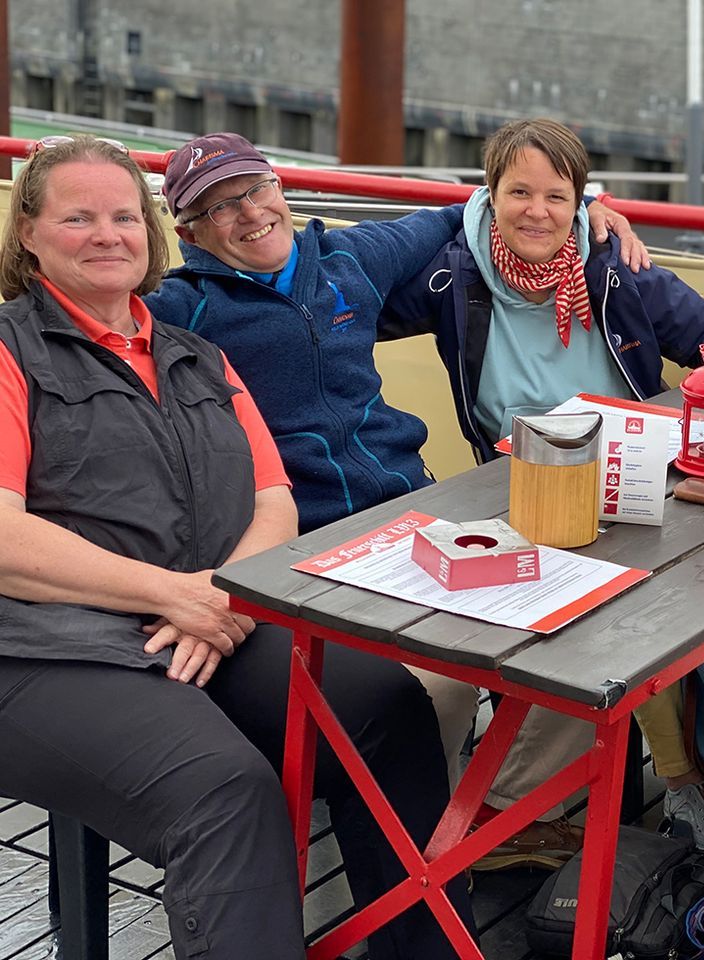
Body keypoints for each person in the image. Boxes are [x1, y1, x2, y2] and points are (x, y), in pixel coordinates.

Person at [0, 135, 472, 958]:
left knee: (387, 708)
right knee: (224, 790)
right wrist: (174, 594)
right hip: (50, 645)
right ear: (29, 235)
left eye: (123, 217)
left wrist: (221, 598)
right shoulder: (10, 351)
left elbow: (273, 500)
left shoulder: (196, 356)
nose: (107, 234)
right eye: (78, 218)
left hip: (209, 617)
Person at [148, 131, 647, 794]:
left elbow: (463, 212)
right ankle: (427, 827)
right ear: (189, 232)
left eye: (257, 189)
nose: (250, 212)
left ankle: (500, 814)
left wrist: (589, 209)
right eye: (220, 206)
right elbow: (86, 323)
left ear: (280, 188)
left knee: (582, 633)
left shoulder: (348, 256)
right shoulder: (183, 308)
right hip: (301, 538)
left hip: (410, 509)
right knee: (434, 688)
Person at [380, 117, 704, 869]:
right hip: (515, 487)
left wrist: (701, 393)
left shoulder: (614, 265)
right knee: (595, 619)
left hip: (630, 480)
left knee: (653, 603)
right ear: (488, 196)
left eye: (558, 196)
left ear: (581, 203)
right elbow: (346, 302)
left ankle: (636, 785)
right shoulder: (453, 273)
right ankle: (644, 787)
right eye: (518, 192)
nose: (538, 212)